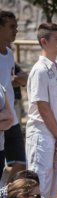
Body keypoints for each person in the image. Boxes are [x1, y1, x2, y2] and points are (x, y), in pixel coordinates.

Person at [25, 23, 57, 198]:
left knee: (53, 185)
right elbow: (42, 107)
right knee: (39, 185)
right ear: (44, 41)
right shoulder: (39, 70)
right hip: (43, 136)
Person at [0, 11, 27, 182]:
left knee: (20, 162)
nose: (16, 31)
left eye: (16, 27)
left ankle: (5, 197)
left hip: (12, 118)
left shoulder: (9, 54)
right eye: (11, 27)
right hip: (1, 118)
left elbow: (11, 78)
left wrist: (18, 80)